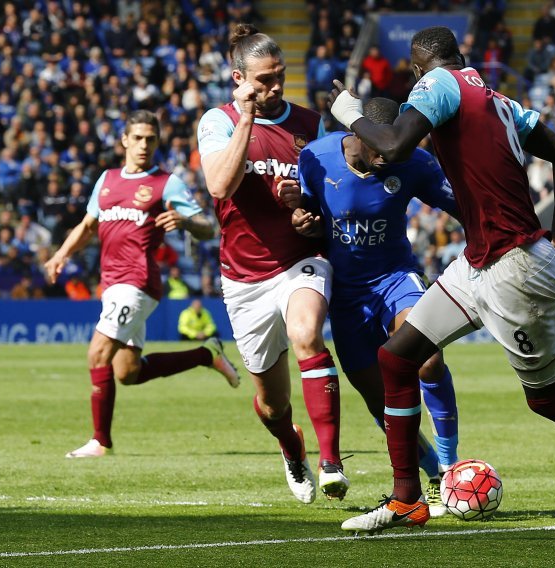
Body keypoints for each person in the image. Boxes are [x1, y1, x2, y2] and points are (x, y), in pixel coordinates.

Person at [328, 26, 555, 540]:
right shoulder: (500, 101)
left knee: (546, 398)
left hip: (513, 267)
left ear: (422, 67)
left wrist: (347, 111)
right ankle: (406, 499)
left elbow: (397, 146)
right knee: (396, 356)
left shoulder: (438, 83)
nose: (415, 82)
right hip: (481, 261)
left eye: (415, 72)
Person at [283, 97, 461, 514]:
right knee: (378, 397)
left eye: (393, 146)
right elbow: (305, 216)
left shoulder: (411, 161)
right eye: (379, 146)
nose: (388, 154)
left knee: (428, 359)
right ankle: (431, 472)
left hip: (397, 276)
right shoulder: (316, 156)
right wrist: (300, 220)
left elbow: (460, 205)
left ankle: (451, 467)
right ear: (356, 135)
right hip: (346, 293)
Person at [197, 24, 343, 504]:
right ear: (239, 78)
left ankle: (331, 461)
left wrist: (307, 206)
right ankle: (292, 445)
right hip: (243, 277)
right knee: (272, 404)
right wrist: (245, 117)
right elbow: (219, 186)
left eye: (279, 76)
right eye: (263, 80)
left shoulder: (311, 123)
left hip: (300, 260)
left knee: (306, 335)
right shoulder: (216, 122)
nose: (275, 87)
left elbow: (332, 203)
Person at [45, 110, 240, 459]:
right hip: (112, 283)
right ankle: (205, 354)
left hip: (137, 282)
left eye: (151, 139)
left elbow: (208, 227)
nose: (144, 145)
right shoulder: (106, 179)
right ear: (124, 140)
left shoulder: (167, 183)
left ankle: (100, 441)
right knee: (127, 372)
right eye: (138, 138)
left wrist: (184, 221)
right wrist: (61, 254)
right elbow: (89, 225)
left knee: (97, 353)